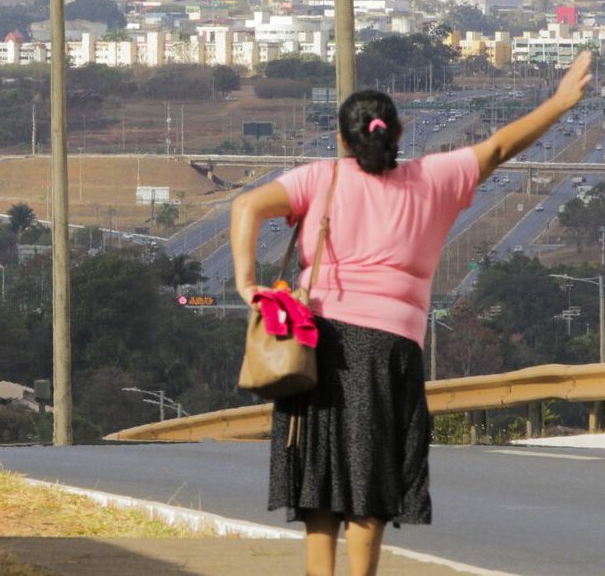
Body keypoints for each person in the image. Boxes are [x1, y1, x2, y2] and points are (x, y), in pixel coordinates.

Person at [230, 52, 593, 576]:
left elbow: (245, 207)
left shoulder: (320, 178)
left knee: (320, 467)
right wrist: (559, 102)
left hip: (318, 342)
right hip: (391, 348)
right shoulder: (435, 178)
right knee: (371, 471)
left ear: (341, 140)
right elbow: (500, 146)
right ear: (399, 132)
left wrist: (247, 285)